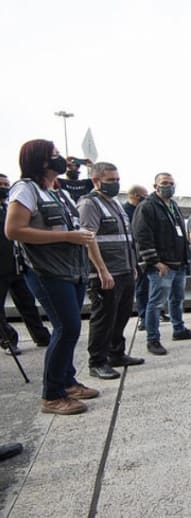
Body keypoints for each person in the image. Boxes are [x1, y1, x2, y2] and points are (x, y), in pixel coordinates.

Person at [6, 139, 99, 415]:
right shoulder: (25, 190)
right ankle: (52, 395)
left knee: (71, 329)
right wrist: (66, 236)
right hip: (46, 271)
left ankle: (67, 382)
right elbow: (13, 230)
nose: (61, 160)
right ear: (40, 161)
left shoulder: (57, 193)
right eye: (55, 155)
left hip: (72, 270)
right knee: (66, 327)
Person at [78, 162, 145, 380]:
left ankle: (116, 353)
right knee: (104, 318)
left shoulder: (115, 204)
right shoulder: (90, 204)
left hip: (125, 270)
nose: (116, 184)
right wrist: (102, 271)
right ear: (96, 180)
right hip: (106, 273)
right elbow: (88, 239)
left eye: (117, 180)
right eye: (110, 181)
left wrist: (133, 266)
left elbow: (127, 239)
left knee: (122, 315)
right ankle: (97, 361)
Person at [132, 172, 191, 355]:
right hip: (162, 265)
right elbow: (142, 236)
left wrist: (186, 260)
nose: (168, 186)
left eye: (171, 183)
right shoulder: (147, 206)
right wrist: (155, 262)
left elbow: (181, 234)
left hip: (178, 263)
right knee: (155, 303)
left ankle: (179, 329)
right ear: (155, 186)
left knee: (177, 299)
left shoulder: (173, 205)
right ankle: (152, 339)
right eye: (164, 183)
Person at [0, 173, 51, 354]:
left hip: (18, 266)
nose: (5, 187)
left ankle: (41, 336)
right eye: (1, 185)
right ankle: (8, 340)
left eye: (6, 184)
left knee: (28, 304)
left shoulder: (12, 207)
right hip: (1, 269)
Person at [122, 185, 168, 331]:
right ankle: (143, 317)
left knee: (155, 287)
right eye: (145, 194)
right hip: (136, 255)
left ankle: (157, 313)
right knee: (142, 287)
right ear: (136, 195)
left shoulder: (147, 208)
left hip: (151, 253)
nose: (148, 197)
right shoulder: (125, 211)